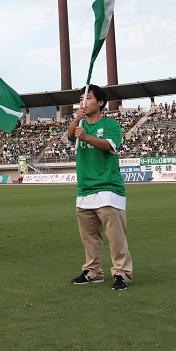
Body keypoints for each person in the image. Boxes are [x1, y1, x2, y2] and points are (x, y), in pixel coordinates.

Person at [67, 85, 132, 290]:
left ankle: (122, 273)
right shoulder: (79, 125)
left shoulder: (111, 125)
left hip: (108, 189)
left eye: (88, 98)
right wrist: (76, 120)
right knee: (89, 238)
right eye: (81, 99)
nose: (83, 102)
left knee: (116, 238)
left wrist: (86, 137)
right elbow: (70, 136)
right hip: (84, 190)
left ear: (100, 102)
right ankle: (92, 271)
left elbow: (110, 145)